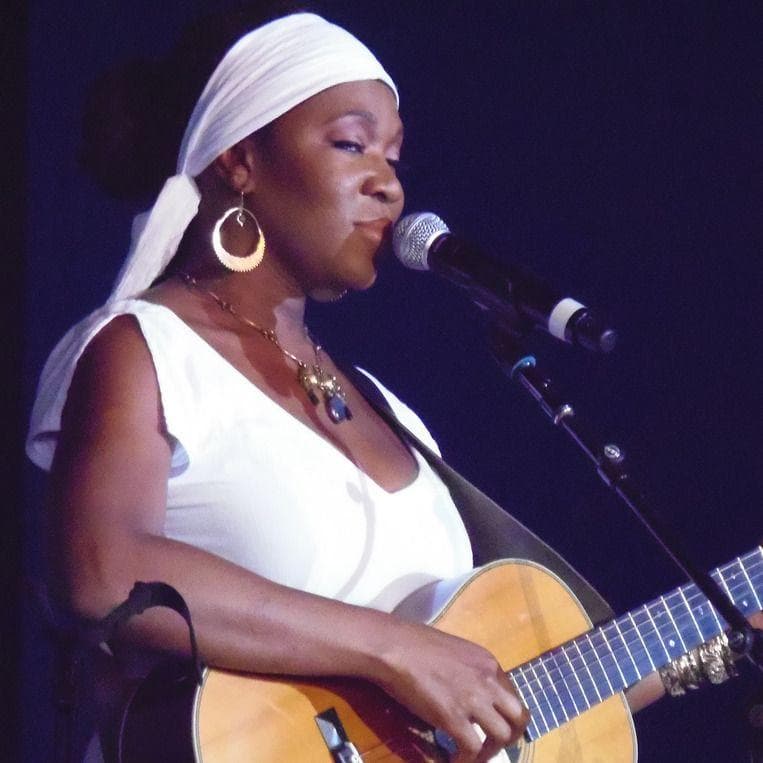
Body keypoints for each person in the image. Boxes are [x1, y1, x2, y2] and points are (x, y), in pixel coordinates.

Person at [26, 4, 753, 762]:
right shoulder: (146, 348)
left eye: (395, 158)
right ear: (241, 160)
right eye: (352, 144)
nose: (389, 186)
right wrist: (392, 649)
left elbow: (497, 692)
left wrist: (720, 629)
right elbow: (100, 571)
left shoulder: (390, 412)